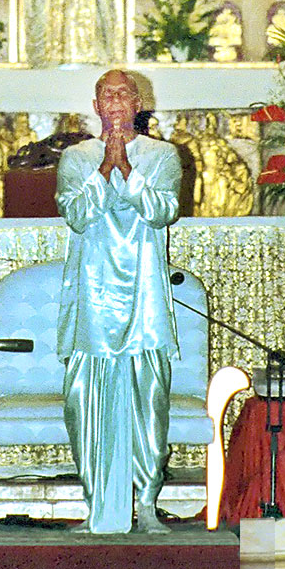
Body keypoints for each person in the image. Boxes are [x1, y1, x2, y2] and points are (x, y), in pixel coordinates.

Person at [56, 68, 181, 533]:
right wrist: (104, 168)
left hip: (143, 294)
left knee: (149, 400)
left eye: (123, 95)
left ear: (137, 104)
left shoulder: (163, 155)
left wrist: (127, 168)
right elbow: (76, 215)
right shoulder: (75, 157)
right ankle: (98, 503)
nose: (114, 102)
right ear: (95, 106)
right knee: (82, 401)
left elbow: (162, 210)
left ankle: (146, 503)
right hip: (92, 294)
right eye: (105, 95)